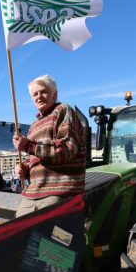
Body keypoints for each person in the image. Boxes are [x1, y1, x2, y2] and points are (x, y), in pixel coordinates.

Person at [12, 75, 86, 217]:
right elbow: (37, 158)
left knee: (41, 235)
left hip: (59, 191)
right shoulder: (33, 125)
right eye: (35, 94)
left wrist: (28, 146)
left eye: (43, 91)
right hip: (33, 192)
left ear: (55, 94)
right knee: (19, 232)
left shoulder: (63, 111)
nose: (39, 96)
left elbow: (66, 151)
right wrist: (25, 169)